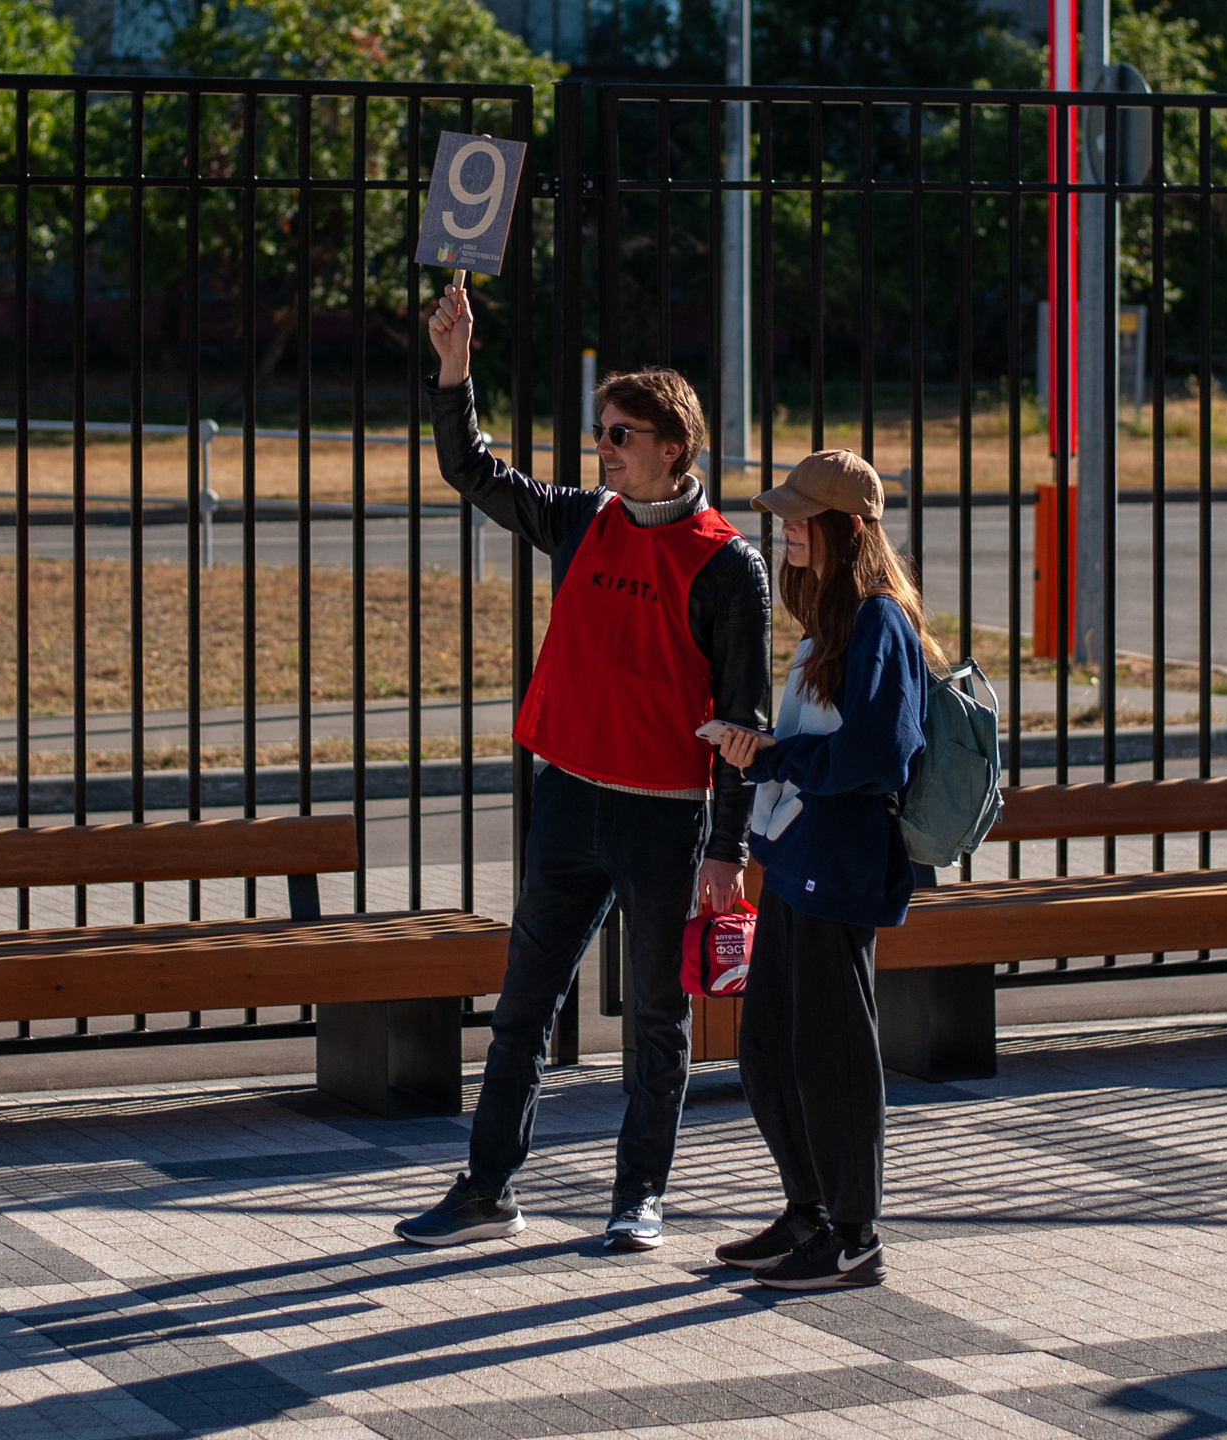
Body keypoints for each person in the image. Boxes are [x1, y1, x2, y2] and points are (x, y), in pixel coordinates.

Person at [393, 281, 772, 1252]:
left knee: (655, 1018)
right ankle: (486, 1190)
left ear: (671, 448)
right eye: (602, 431)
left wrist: (726, 849)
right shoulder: (584, 521)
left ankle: (639, 1195)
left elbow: (743, 720)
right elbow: (472, 471)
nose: (602, 447)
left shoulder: (728, 566)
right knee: (523, 1005)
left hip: (663, 818)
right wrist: (455, 367)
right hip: (566, 801)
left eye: (619, 435)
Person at [707, 449, 941, 1291]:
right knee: (772, 1048)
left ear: (847, 528)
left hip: (839, 863)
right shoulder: (832, 618)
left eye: (803, 517)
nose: (787, 529)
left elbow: (880, 755)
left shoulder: (879, 620)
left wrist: (777, 756)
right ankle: (807, 1211)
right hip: (801, 857)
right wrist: (766, 756)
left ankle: (854, 1234)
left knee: (833, 1052)